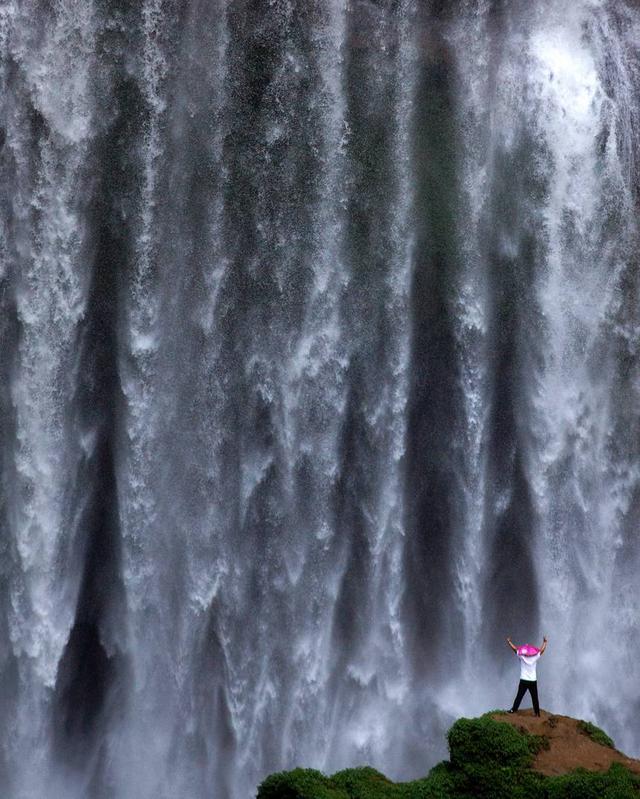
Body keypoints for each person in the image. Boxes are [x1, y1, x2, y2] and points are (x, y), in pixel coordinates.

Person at [506, 635, 548, 716]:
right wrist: (545, 642)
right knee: (535, 698)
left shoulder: (521, 656)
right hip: (533, 680)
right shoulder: (535, 657)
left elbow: (515, 649)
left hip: (524, 680)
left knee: (519, 696)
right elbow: (541, 651)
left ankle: (513, 710)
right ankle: (537, 713)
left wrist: (509, 642)